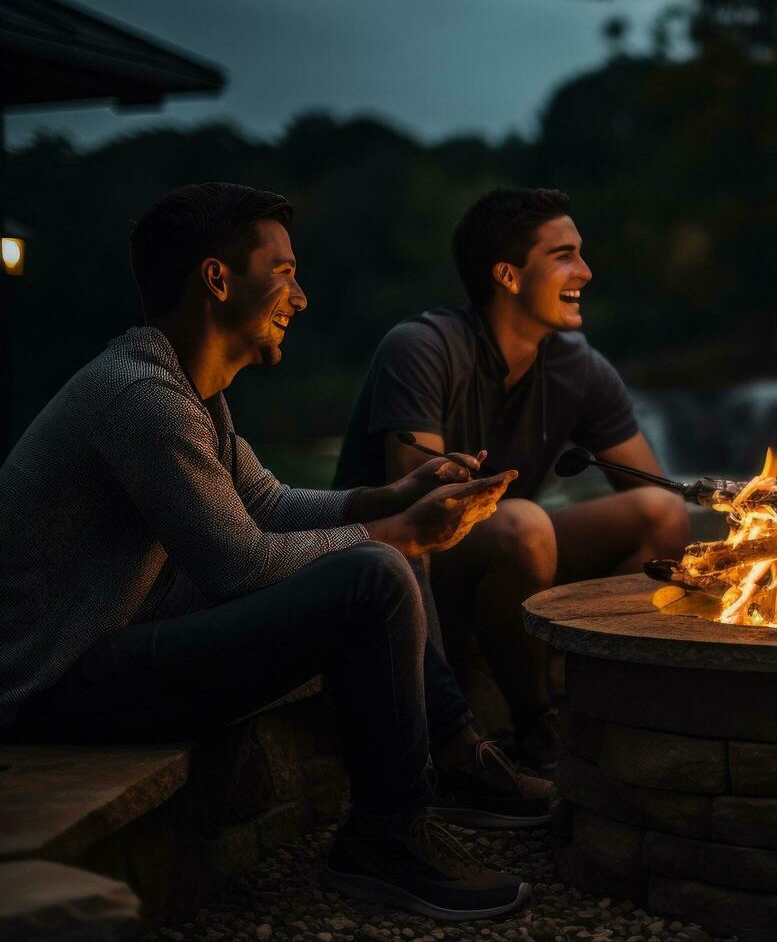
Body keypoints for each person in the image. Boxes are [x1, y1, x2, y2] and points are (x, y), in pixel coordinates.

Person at [0, 183, 539, 920]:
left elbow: (264, 503)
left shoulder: (188, 392)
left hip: (118, 639)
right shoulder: (141, 399)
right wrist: (400, 534)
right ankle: (389, 838)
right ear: (217, 279)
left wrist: (393, 499)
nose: (301, 296)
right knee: (375, 571)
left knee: (382, 553)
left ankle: (448, 759)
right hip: (56, 685)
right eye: (283, 271)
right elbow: (238, 564)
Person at [333, 187, 689, 770]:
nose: (586, 271)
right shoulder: (421, 347)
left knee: (662, 513)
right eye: (564, 255)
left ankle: (595, 699)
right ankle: (536, 725)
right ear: (508, 275)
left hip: (508, 550)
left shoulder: (578, 366)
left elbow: (654, 487)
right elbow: (425, 509)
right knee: (526, 523)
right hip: (398, 564)